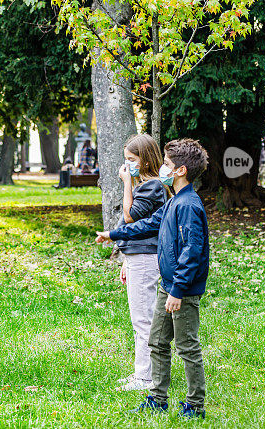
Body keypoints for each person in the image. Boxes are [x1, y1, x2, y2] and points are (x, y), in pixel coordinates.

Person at [96, 138, 210, 419]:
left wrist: (178, 291)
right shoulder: (174, 202)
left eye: (168, 165)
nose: (163, 168)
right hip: (167, 287)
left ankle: (195, 405)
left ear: (181, 170)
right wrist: (113, 234)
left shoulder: (189, 205)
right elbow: (147, 224)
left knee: (187, 346)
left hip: (181, 291)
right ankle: (157, 397)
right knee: (157, 342)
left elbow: (192, 252)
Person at [112, 134, 170, 392]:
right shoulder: (144, 185)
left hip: (146, 259)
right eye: (126, 159)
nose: (127, 165)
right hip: (138, 257)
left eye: (131, 160)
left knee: (143, 318)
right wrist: (126, 260)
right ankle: (142, 372)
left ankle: (146, 377)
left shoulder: (152, 186)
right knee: (139, 317)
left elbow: (131, 217)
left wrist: (126, 183)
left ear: (146, 160)